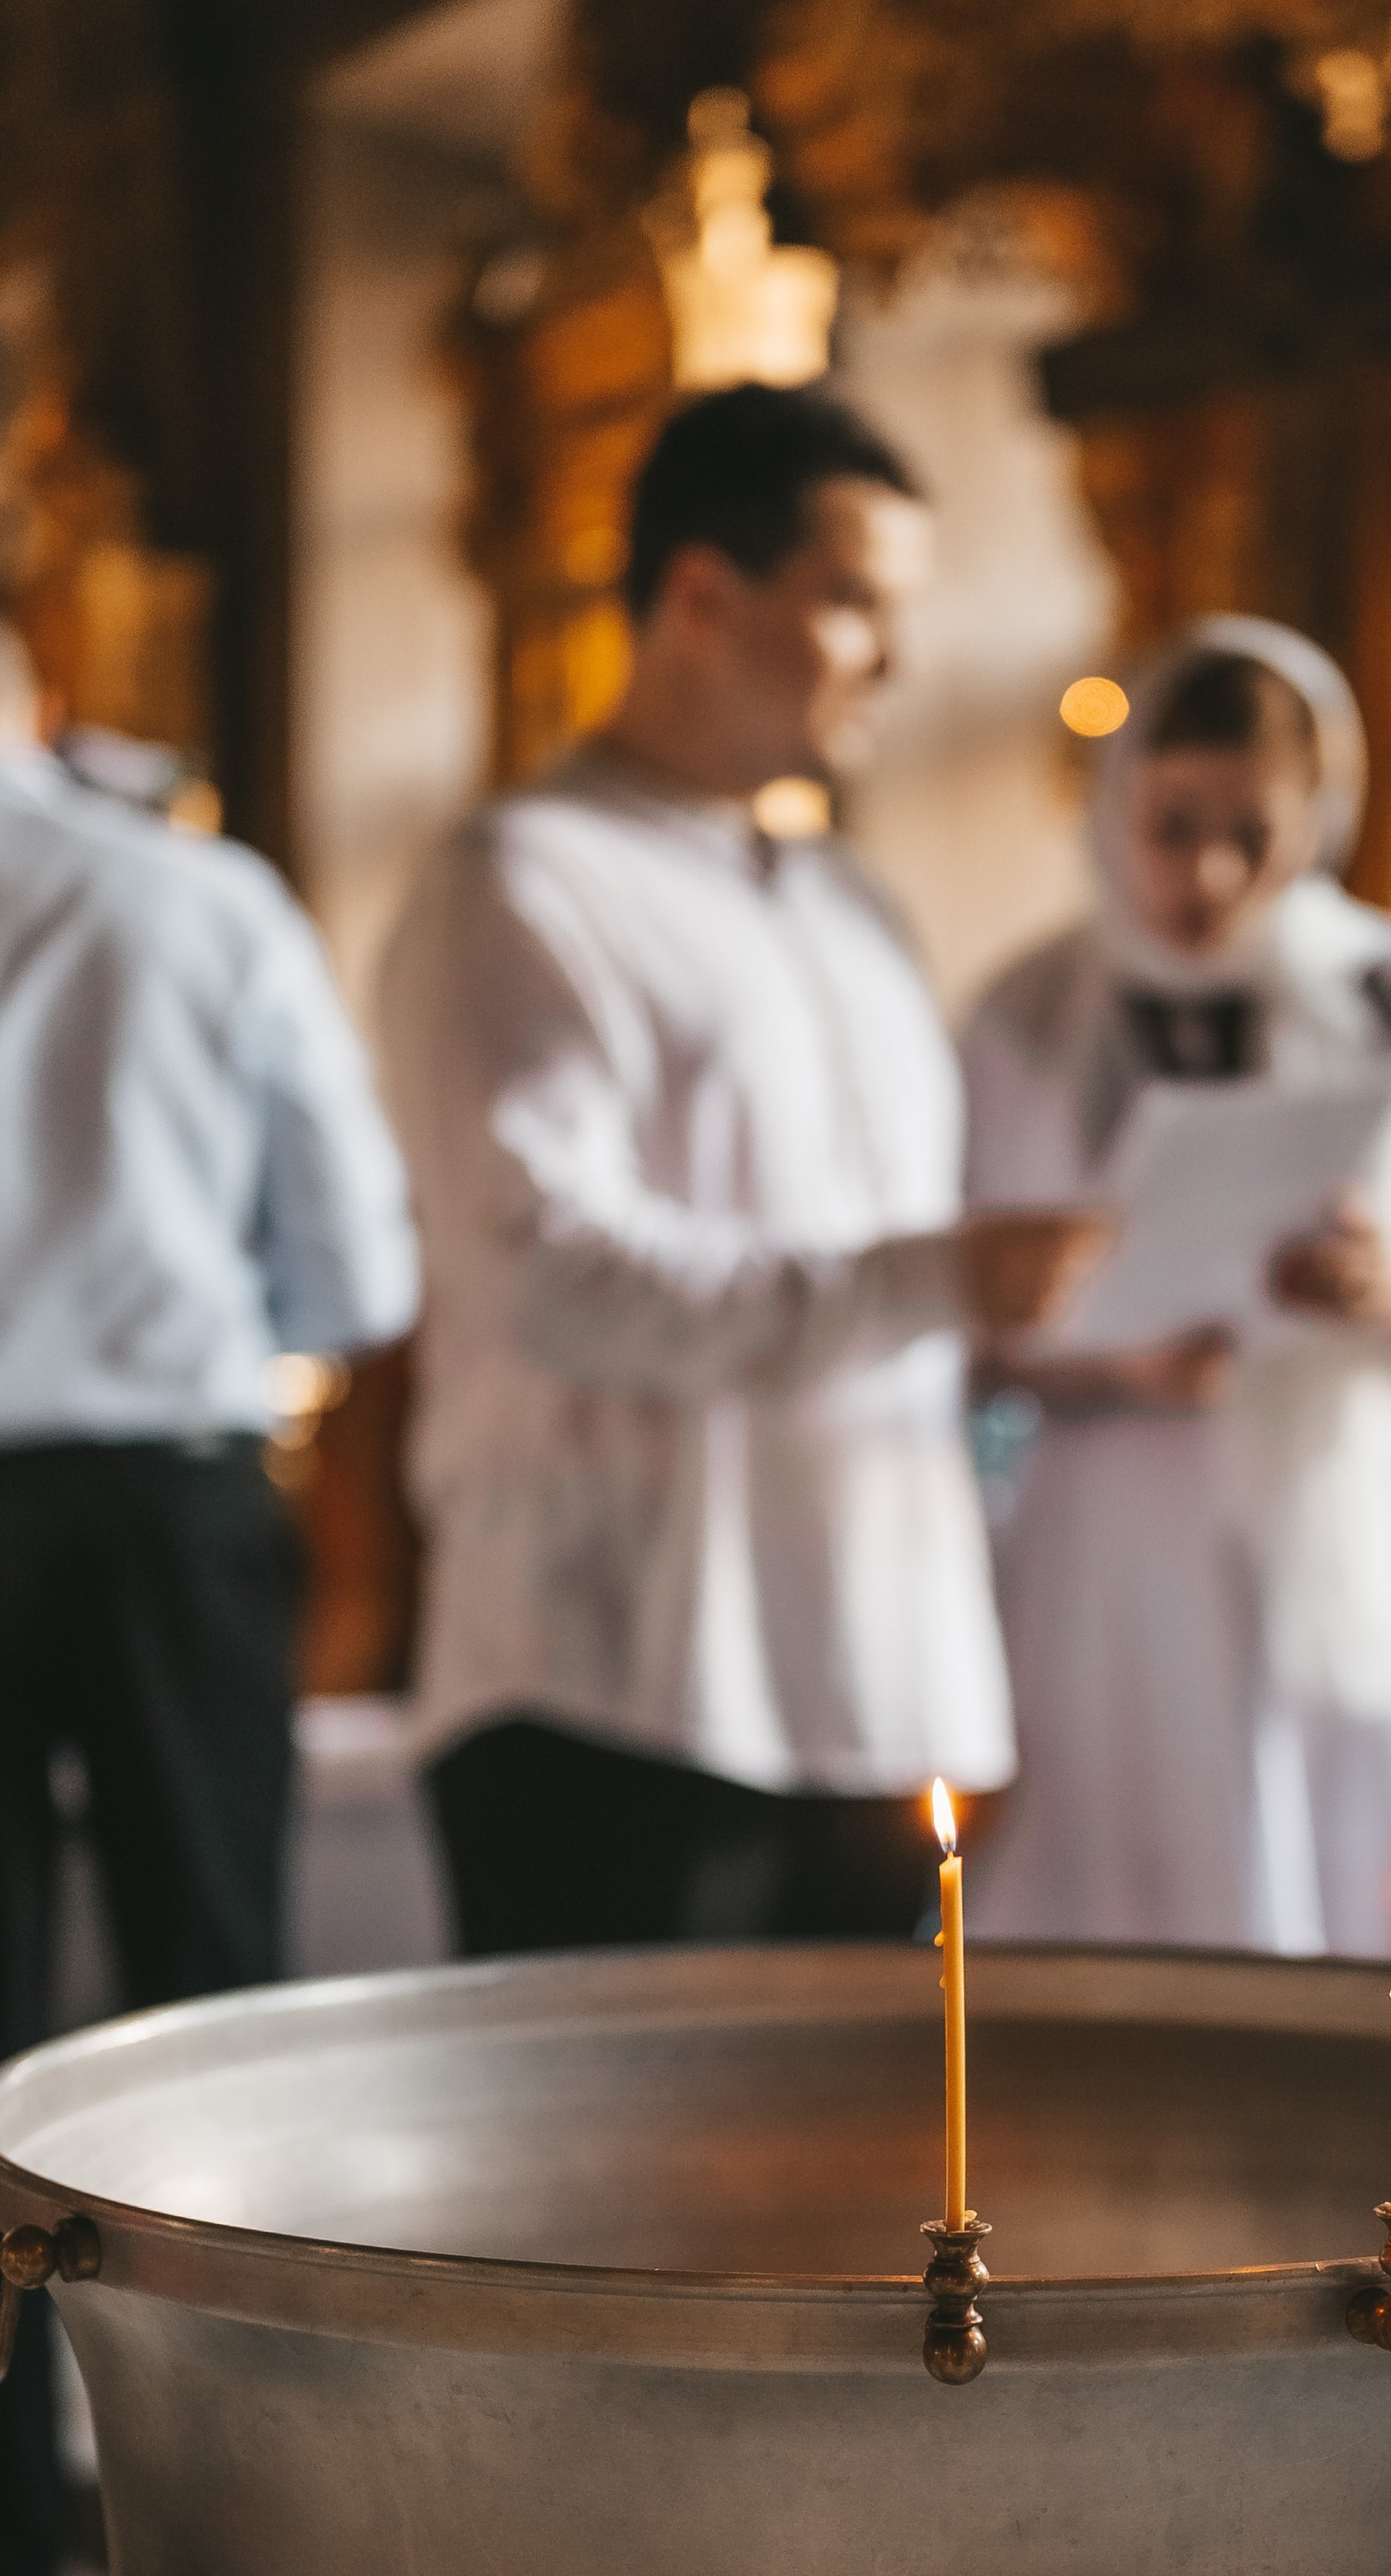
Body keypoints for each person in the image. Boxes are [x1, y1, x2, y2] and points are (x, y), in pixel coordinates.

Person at [381, 383, 1104, 1956]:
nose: (897, 662)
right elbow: (554, 1276)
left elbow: (894, 1278)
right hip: (622, 1684)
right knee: (597, 2205)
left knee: (883, 2200)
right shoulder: (522, 885)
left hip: (879, 1676)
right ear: (700, 595)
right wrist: (934, 1278)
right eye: (852, 604)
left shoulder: (855, 908)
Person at [0, 594, 419, 2576]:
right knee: (216, 2016)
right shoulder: (203, 895)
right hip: (171, 1493)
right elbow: (354, 1271)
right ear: (32, 702)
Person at [961, 617, 1391, 1969]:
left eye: (1251, 833)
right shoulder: (1026, 1012)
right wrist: (1120, 1365)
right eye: (1172, 823)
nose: (1205, 871)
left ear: (1318, 819)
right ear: (1116, 801)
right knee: (1149, 1947)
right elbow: (962, 1319)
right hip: (1126, 1531)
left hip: (1382, 1505)